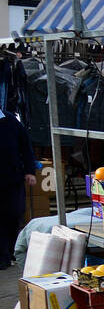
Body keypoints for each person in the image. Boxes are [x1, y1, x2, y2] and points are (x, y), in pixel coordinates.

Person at [0, 108, 40, 269]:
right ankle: (3, 257)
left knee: (13, 214)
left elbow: (25, 147)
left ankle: (10, 253)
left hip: (12, 178)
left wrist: (30, 171)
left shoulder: (11, 121)